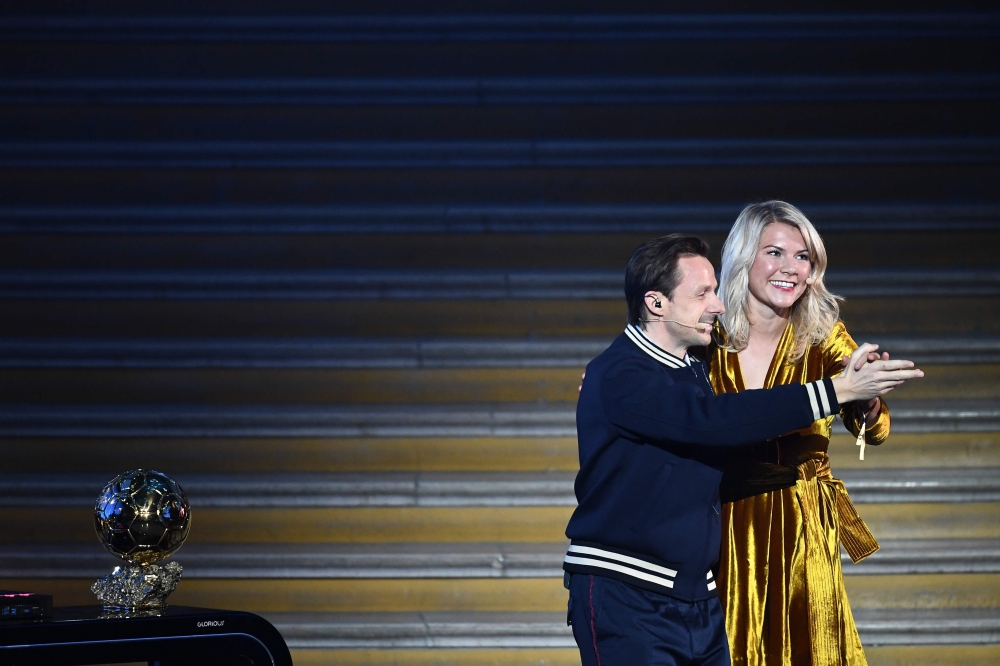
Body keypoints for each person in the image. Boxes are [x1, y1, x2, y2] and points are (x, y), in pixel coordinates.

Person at [564, 234, 921, 666]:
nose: (716, 304)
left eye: (803, 256)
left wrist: (861, 399)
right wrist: (838, 389)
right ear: (657, 303)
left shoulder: (686, 366)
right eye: (702, 293)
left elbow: (704, 418)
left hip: (698, 592)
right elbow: (716, 421)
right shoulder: (626, 372)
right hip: (632, 589)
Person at [709, 201, 886, 666]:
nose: (791, 268)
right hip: (723, 525)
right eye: (775, 253)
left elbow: (873, 424)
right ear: (745, 258)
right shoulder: (709, 336)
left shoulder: (823, 334)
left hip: (801, 524)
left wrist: (866, 402)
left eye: (803, 257)